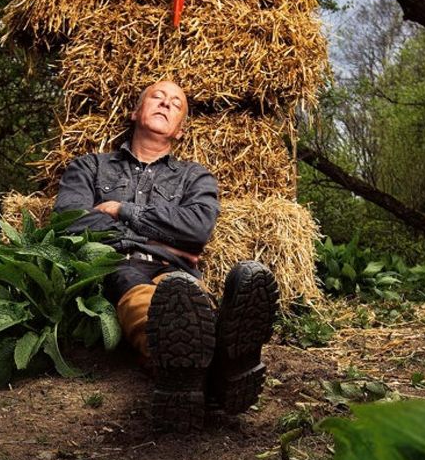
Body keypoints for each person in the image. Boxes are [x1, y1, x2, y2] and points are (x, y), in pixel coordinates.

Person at [54, 79, 279, 434]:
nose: (165, 104)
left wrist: (121, 210)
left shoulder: (195, 176)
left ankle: (192, 368)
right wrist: (157, 237)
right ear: (135, 112)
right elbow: (70, 222)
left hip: (174, 267)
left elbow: (198, 229)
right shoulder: (90, 167)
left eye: (176, 104)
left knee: (184, 294)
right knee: (144, 299)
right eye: (157, 97)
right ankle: (222, 367)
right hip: (116, 265)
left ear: (180, 129)